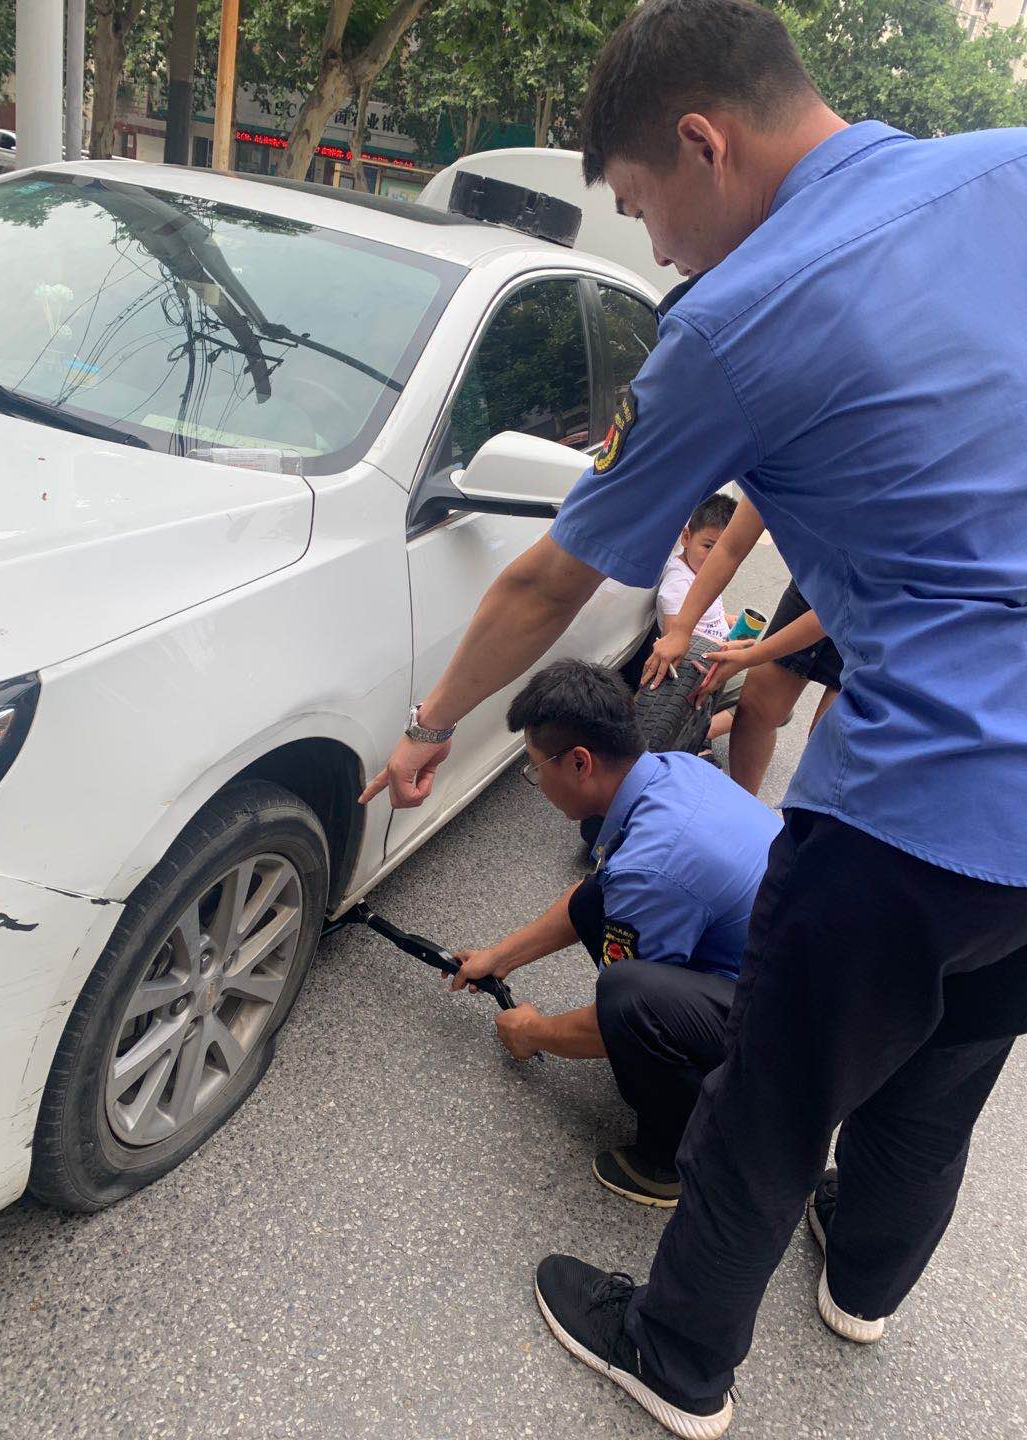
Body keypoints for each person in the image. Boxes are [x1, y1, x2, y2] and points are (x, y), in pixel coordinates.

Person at [360, 3, 1027, 1435]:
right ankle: (864, 1288)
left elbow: (550, 576)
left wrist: (427, 725)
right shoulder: (1008, 168)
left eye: (642, 205)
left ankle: (676, 1362)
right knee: (945, 1082)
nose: (656, 249)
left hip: (920, 805)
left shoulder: (738, 316)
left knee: (770, 1102)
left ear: (702, 143)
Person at [452, 659, 780, 1207]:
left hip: (788, 1037)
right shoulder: (673, 771)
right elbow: (598, 891)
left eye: (536, 767)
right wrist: (500, 957)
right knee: (600, 901)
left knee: (628, 999)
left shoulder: (653, 865)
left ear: (580, 762)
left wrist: (534, 1032)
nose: (536, 781)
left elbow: (622, 1012)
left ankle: (672, 1159)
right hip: (780, 973)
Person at [644, 494, 844, 793]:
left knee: (832, 741)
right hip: (816, 578)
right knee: (759, 705)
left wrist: (750, 657)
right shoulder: (781, 477)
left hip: (878, 601)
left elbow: (833, 608)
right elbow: (731, 546)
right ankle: (740, 801)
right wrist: (681, 630)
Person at [655, 493, 739, 743]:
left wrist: (730, 620)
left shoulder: (700, 572)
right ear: (686, 537)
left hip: (720, 652)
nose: (715, 558)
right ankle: (699, 737)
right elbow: (674, 641)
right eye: (708, 546)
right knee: (767, 696)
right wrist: (726, 649)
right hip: (701, 666)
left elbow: (710, 613)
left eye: (723, 550)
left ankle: (700, 731)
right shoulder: (678, 584)